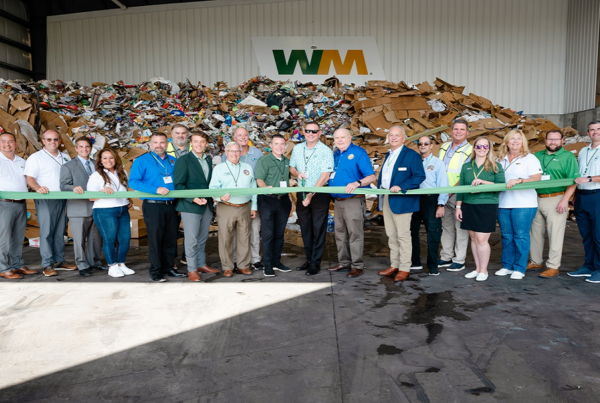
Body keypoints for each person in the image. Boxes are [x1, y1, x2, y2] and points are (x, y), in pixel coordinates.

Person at [129, 132, 186, 282]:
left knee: (171, 239)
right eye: (155, 143)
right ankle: (155, 271)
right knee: (155, 239)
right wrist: (155, 189)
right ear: (150, 144)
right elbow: (133, 182)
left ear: (167, 144)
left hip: (171, 206)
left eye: (162, 143)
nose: (159, 145)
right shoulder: (142, 161)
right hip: (153, 206)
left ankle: (168, 268)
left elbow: (179, 182)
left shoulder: (173, 160)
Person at [376, 126, 426, 282]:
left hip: (403, 201)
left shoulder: (411, 156)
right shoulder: (388, 155)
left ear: (404, 138)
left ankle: (404, 268)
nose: (394, 138)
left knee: (403, 236)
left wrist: (402, 186)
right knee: (391, 235)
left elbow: (419, 176)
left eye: (397, 135)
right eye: (391, 135)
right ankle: (394, 264)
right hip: (387, 199)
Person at [24, 129, 76, 276]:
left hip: (64, 198)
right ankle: (47, 264)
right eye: (49, 139)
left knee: (60, 231)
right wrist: (38, 188)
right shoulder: (36, 158)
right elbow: (30, 178)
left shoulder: (65, 157)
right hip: (46, 198)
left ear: (59, 141)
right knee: (47, 231)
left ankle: (59, 260)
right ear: (43, 140)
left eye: (55, 139)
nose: (52, 142)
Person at [529, 130, 578, 278]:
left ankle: (553, 266)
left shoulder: (568, 157)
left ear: (562, 141)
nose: (553, 142)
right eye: (550, 139)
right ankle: (536, 261)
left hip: (556, 198)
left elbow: (573, 181)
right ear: (545, 140)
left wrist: (565, 200)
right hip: (535, 197)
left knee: (555, 233)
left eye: (556, 140)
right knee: (535, 233)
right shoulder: (536, 156)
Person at [327, 128, 376, 278]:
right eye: (337, 138)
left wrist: (358, 183)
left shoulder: (358, 153)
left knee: (354, 233)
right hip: (338, 201)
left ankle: (357, 265)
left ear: (350, 137)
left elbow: (371, 177)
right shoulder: (335, 154)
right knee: (340, 233)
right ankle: (344, 262)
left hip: (353, 200)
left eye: (343, 137)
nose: (340, 140)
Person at [455, 136, 505, 281]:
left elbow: (502, 186)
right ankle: (477, 269)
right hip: (468, 204)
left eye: (485, 146)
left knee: (482, 239)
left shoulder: (496, 166)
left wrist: (483, 182)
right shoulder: (467, 166)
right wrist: (458, 207)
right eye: (479, 146)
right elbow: (461, 188)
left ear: (489, 148)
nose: (482, 149)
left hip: (487, 204)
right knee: (473, 238)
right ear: (474, 148)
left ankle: (484, 270)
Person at [495, 130, 542, 280]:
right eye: (512, 139)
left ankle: (520, 268)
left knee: (520, 235)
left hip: (524, 203)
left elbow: (536, 178)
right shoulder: (500, 159)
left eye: (518, 139)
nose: (515, 141)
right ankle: (507, 265)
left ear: (523, 142)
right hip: (503, 202)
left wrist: (520, 180)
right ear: (506, 141)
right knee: (507, 236)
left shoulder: (530, 158)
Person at [289, 122, 334, 276]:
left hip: (319, 192)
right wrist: (297, 174)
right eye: (308, 131)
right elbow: (292, 167)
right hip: (302, 191)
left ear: (320, 133)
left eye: (314, 131)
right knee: (306, 227)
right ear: (303, 132)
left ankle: (316, 262)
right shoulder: (297, 148)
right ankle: (309, 259)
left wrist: (312, 193)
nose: (310, 134)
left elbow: (325, 175)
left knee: (318, 227)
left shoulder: (325, 151)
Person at [173, 131, 217, 282]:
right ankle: (192, 269)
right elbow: (178, 186)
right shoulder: (184, 160)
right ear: (191, 143)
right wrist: (193, 198)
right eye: (196, 141)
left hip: (207, 205)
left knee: (202, 238)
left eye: (202, 142)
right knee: (191, 240)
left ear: (206, 144)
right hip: (190, 205)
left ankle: (201, 264)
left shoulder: (208, 160)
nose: (199, 144)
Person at [209, 141, 257, 277]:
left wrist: (254, 207)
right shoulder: (219, 168)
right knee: (225, 238)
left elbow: (253, 188)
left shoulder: (247, 167)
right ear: (226, 152)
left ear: (241, 152)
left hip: (245, 206)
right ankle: (227, 266)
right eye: (232, 151)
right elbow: (213, 188)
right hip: (226, 207)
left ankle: (243, 265)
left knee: (244, 237)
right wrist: (219, 197)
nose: (235, 154)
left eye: (237, 151)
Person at [60, 137, 104, 277]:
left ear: (91, 148)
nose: (84, 149)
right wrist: (74, 188)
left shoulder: (96, 164)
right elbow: (63, 186)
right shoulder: (68, 166)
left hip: (96, 206)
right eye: (81, 147)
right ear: (76, 149)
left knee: (96, 239)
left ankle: (94, 262)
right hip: (78, 208)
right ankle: (82, 265)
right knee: (79, 240)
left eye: (87, 147)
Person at [87, 148, 134, 278]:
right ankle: (112, 266)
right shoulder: (96, 176)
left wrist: (128, 200)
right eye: (105, 158)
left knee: (125, 239)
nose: (108, 160)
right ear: (100, 161)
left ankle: (121, 264)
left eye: (111, 157)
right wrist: (102, 191)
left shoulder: (122, 172)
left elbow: (124, 190)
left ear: (115, 159)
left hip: (123, 209)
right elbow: (91, 197)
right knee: (110, 239)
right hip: (105, 211)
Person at [223, 127, 264, 269]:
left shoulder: (257, 153)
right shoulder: (228, 153)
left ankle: (255, 259)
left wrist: (255, 204)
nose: (243, 137)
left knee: (254, 230)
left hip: (252, 200)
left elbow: (259, 177)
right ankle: (235, 259)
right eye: (239, 135)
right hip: (233, 202)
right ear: (234, 137)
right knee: (235, 232)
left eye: (245, 135)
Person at [254, 134, 294, 277]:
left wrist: (291, 200)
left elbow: (287, 183)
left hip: (283, 201)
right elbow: (260, 180)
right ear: (270, 145)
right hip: (267, 200)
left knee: (279, 233)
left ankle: (276, 261)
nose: (279, 146)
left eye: (282, 144)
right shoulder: (264, 160)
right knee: (268, 234)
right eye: (276, 144)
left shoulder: (286, 161)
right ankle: (268, 264)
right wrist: (267, 189)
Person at [410, 135, 449, 276]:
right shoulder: (413, 161)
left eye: (426, 143)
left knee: (433, 232)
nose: (423, 146)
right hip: (414, 198)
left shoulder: (438, 163)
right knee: (411, 231)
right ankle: (415, 262)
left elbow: (444, 184)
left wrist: (441, 204)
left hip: (431, 200)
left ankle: (433, 265)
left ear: (431, 145)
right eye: (420, 143)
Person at [438, 119, 473, 272]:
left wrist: (450, 191)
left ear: (467, 132)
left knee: (460, 227)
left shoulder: (471, 150)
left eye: (462, 129)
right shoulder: (444, 147)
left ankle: (459, 259)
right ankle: (446, 256)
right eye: (456, 129)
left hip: (457, 193)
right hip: (442, 192)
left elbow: (466, 175)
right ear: (451, 131)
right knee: (446, 227)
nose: (458, 132)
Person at [0, 133, 36, 279]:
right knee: (3, 238)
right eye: (3, 142)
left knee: (18, 237)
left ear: (15, 144)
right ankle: (3, 268)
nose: (7, 144)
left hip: (21, 203)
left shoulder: (22, 161)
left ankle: (17, 265)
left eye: (10, 142)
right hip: (4, 204)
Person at [569, 121, 600, 283]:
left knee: (598, 234)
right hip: (582, 196)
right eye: (592, 130)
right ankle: (589, 265)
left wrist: (588, 179)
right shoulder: (583, 151)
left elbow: (585, 176)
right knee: (586, 235)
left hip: (597, 196)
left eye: (598, 129)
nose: (595, 132)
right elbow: (578, 173)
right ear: (587, 133)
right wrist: (574, 196)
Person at [166, 123, 191, 266]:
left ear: (187, 135)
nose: (180, 135)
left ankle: (188, 256)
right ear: (172, 135)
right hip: (171, 194)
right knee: (171, 229)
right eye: (177, 133)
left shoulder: (194, 148)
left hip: (189, 193)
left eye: (183, 133)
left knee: (191, 228)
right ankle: (171, 260)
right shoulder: (166, 149)